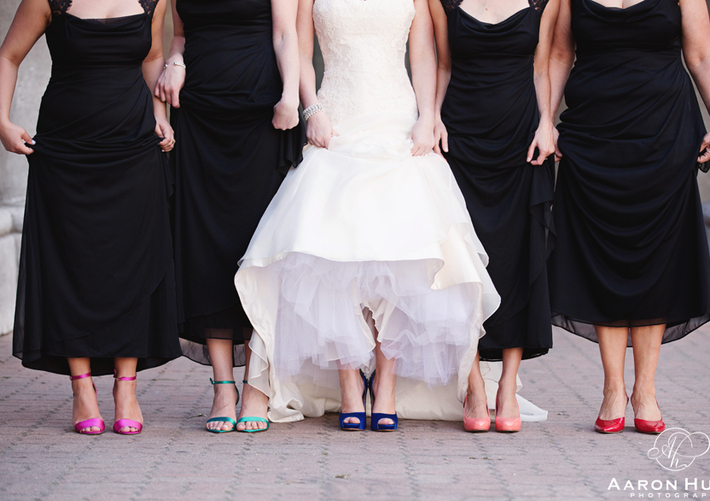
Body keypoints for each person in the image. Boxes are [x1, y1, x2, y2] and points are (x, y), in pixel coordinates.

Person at [234, 0, 501, 431]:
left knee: (400, 257)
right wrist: (312, 110)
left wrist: (428, 116)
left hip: (398, 122)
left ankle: (386, 385)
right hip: (338, 123)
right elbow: (301, 49)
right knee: (334, 258)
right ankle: (349, 384)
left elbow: (423, 55)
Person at [548, 0, 710, 433]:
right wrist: (544, 121)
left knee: (656, 257)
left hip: (663, 133)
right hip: (592, 137)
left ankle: (645, 389)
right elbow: (559, 54)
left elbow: (701, 53)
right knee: (600, 255)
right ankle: (613, 387)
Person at [1, 0, 179, 435]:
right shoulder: (47, 0)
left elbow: (152, 57)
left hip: (134, 145)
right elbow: (8, 56)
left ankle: (126, 388)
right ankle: (81, 388)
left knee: (131, 263)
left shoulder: (152, 0)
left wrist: (160, 116)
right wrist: (1, 121)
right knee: (71, 264)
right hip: (66, 150)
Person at [154, 0, 305, 434]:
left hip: (261, 112)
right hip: (199, 114)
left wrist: (290, 95)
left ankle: (257, 385)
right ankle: (223, 388)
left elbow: (285, 34)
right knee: (205, 245)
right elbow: (181, 37)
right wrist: (176, 60)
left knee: (259, 249)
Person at [430, 0, 559, 433]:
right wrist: (432, 119)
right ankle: (473, 385)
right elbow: (443, 66)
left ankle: (506, 386)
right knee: (461, 260)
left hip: (521, 140)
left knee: (516, 255)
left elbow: (541, 68)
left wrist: (547, 123)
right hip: (459, 140)